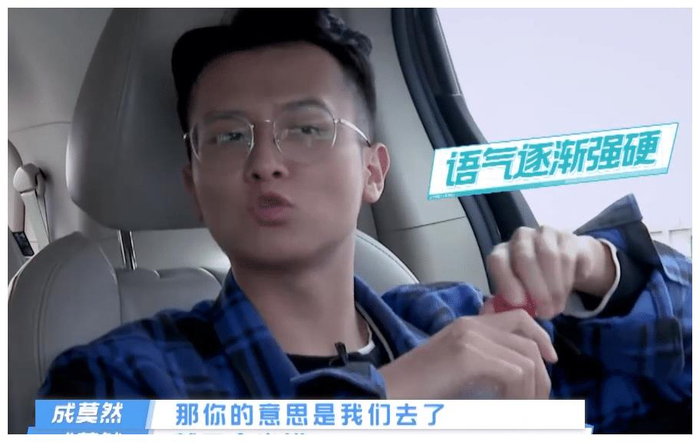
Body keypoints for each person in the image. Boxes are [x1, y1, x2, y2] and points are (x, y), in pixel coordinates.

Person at [38, 8, 692, 433]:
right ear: (195, 188)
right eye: (229, 136)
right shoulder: (120, 376)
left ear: (374, 171)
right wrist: (386, 401)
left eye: (306, 128)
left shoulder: (462, 321)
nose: (266, 162)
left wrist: (605, 273)